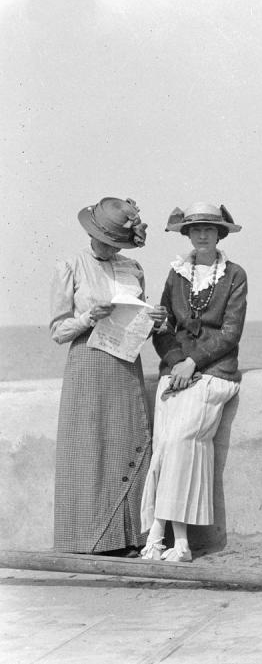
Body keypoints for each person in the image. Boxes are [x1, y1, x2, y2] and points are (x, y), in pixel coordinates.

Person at [50, 197, 166, 555]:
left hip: (125, 364)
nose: (109, 247)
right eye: (104, 238)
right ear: (91, 232)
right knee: (89, 451)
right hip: (88, 363)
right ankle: (89, 540)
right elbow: (57, 330)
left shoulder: (133, 268)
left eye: (116, 241)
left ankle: (131, 537)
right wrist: (89, 317)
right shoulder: (71, 266)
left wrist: (154, 322)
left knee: (127, 442)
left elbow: (137, 326)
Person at [139, 203, 247, 562]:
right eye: (196, 229)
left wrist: (192, 362)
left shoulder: (235, 275)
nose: (202, 235)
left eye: (210, 229)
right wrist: (175, 361)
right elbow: (163, 331)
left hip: (215, 373)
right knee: (167, 442)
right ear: (187, 234)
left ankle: (167, 536)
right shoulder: (176, 275)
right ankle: (170, 538)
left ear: (220, 235)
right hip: (178, 372)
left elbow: (230, 334)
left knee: (182, 439)